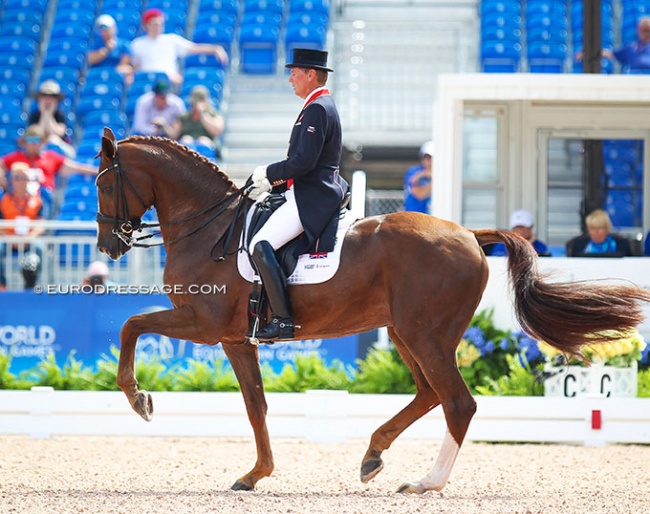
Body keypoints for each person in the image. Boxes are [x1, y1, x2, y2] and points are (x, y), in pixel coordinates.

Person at [247, 48, 349, 341]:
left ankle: (282, 320)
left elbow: (304, 162)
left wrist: (268, 172)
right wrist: (275, 183)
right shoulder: (316, 105)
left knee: (260, 243)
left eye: (294, 73)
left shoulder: (318, 108)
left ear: (311, 74)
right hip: (306, 188)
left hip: (312, 195)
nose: (290, 78)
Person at [130, 8, 229, 88]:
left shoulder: (171, 40)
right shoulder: (137, 44)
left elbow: (195, 48)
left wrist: (216, 49)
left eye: (160, 23)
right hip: (146, 81)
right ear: (146, 25)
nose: (158, 26)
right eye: (155, 24)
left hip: (168, 80)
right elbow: (134, 66)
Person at [0, 125, 97, 205]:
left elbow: (76, 167)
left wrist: (98, 171)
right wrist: (3, 180)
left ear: (43, 142)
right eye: (30, 140)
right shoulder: (16, 157)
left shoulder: (51, 157)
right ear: (24, 142)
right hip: (19, 197)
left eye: (37, 140)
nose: (33, 143)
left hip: (45, 197)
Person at [0, 162, 45, 290]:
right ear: (11, 180)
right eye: (17, 178)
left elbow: (41, 223)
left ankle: (32, 286)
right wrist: (10, 238)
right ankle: (1, 286)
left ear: (28, 180)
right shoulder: (3, 201)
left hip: (29, 239)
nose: (20, 181)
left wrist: (29, 237)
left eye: (23, 177)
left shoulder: (37, 201)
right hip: (8, 239)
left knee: (39, 248)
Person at [170, 85, 224, 158]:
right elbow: (173, 135)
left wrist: (203, 114)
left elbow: (217, 131)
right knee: (186, 140)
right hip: (188, 145)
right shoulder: (184, 117)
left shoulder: (213, 115)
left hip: (207, 146)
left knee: (203, 141)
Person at [28, 80, 76, 158]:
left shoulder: (60, 115)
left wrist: (49, 114)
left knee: (53, 139)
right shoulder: (34, 116)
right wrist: (44, 113)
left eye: (51, 97)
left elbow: (58, 133)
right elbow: (38, 133)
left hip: (60, 150)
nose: (48, 100)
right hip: (39, 147)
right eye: (44, 96)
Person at [87, 14, 134, 84]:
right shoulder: (95, 45)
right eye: (102, 29)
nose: (104, 32)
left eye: (107, 28)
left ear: (114, 28)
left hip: (116, 78)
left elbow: (124, 63)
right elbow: (91, 60)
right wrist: (106, 49)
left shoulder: (124, 45)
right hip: (98, 77)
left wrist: (111, 73)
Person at [566, 208, 633, 257]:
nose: (596, 232)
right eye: (592, 228)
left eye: (599, 228)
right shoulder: (578, 245)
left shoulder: (622, 245)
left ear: (607, 229)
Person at [404, 141, 433, 213]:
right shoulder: (413, 171)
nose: (428, 161)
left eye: (431, 158)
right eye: (426, 158)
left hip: (433, 217)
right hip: (414, 217)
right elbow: (420, 195)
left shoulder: (442, 172)